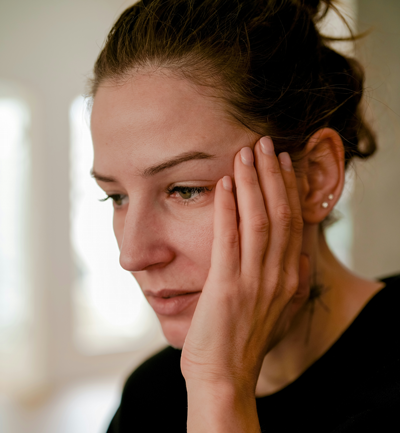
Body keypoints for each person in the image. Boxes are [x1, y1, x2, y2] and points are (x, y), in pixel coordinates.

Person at [87, 0, 400, 431]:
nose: (134, 254)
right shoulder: (151, 397)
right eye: (116, 197)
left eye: (186, 189)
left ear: (316, 176)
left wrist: (221, 389)